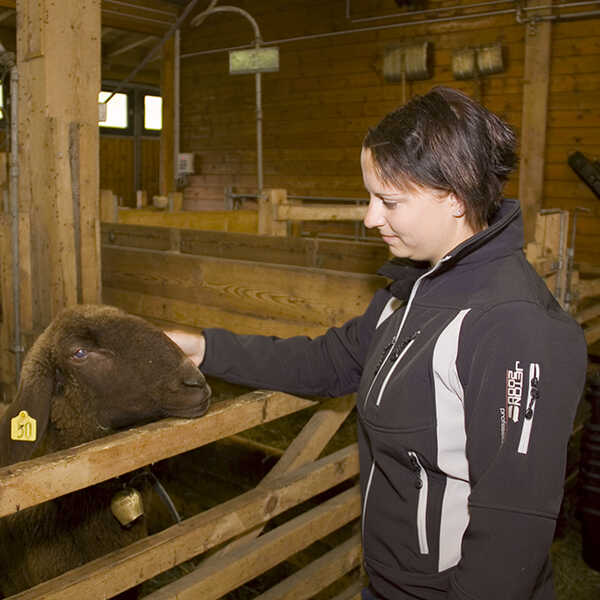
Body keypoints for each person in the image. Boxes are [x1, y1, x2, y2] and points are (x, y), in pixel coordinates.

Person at [167, 86, 588, 600]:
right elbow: (331, 360)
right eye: (370, 197)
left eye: (388, 201)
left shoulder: (515, 329)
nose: (369, 218)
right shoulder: (413, 289)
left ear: (453, 199)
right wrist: (207, 348)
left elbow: (512, 531)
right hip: (389, 584)